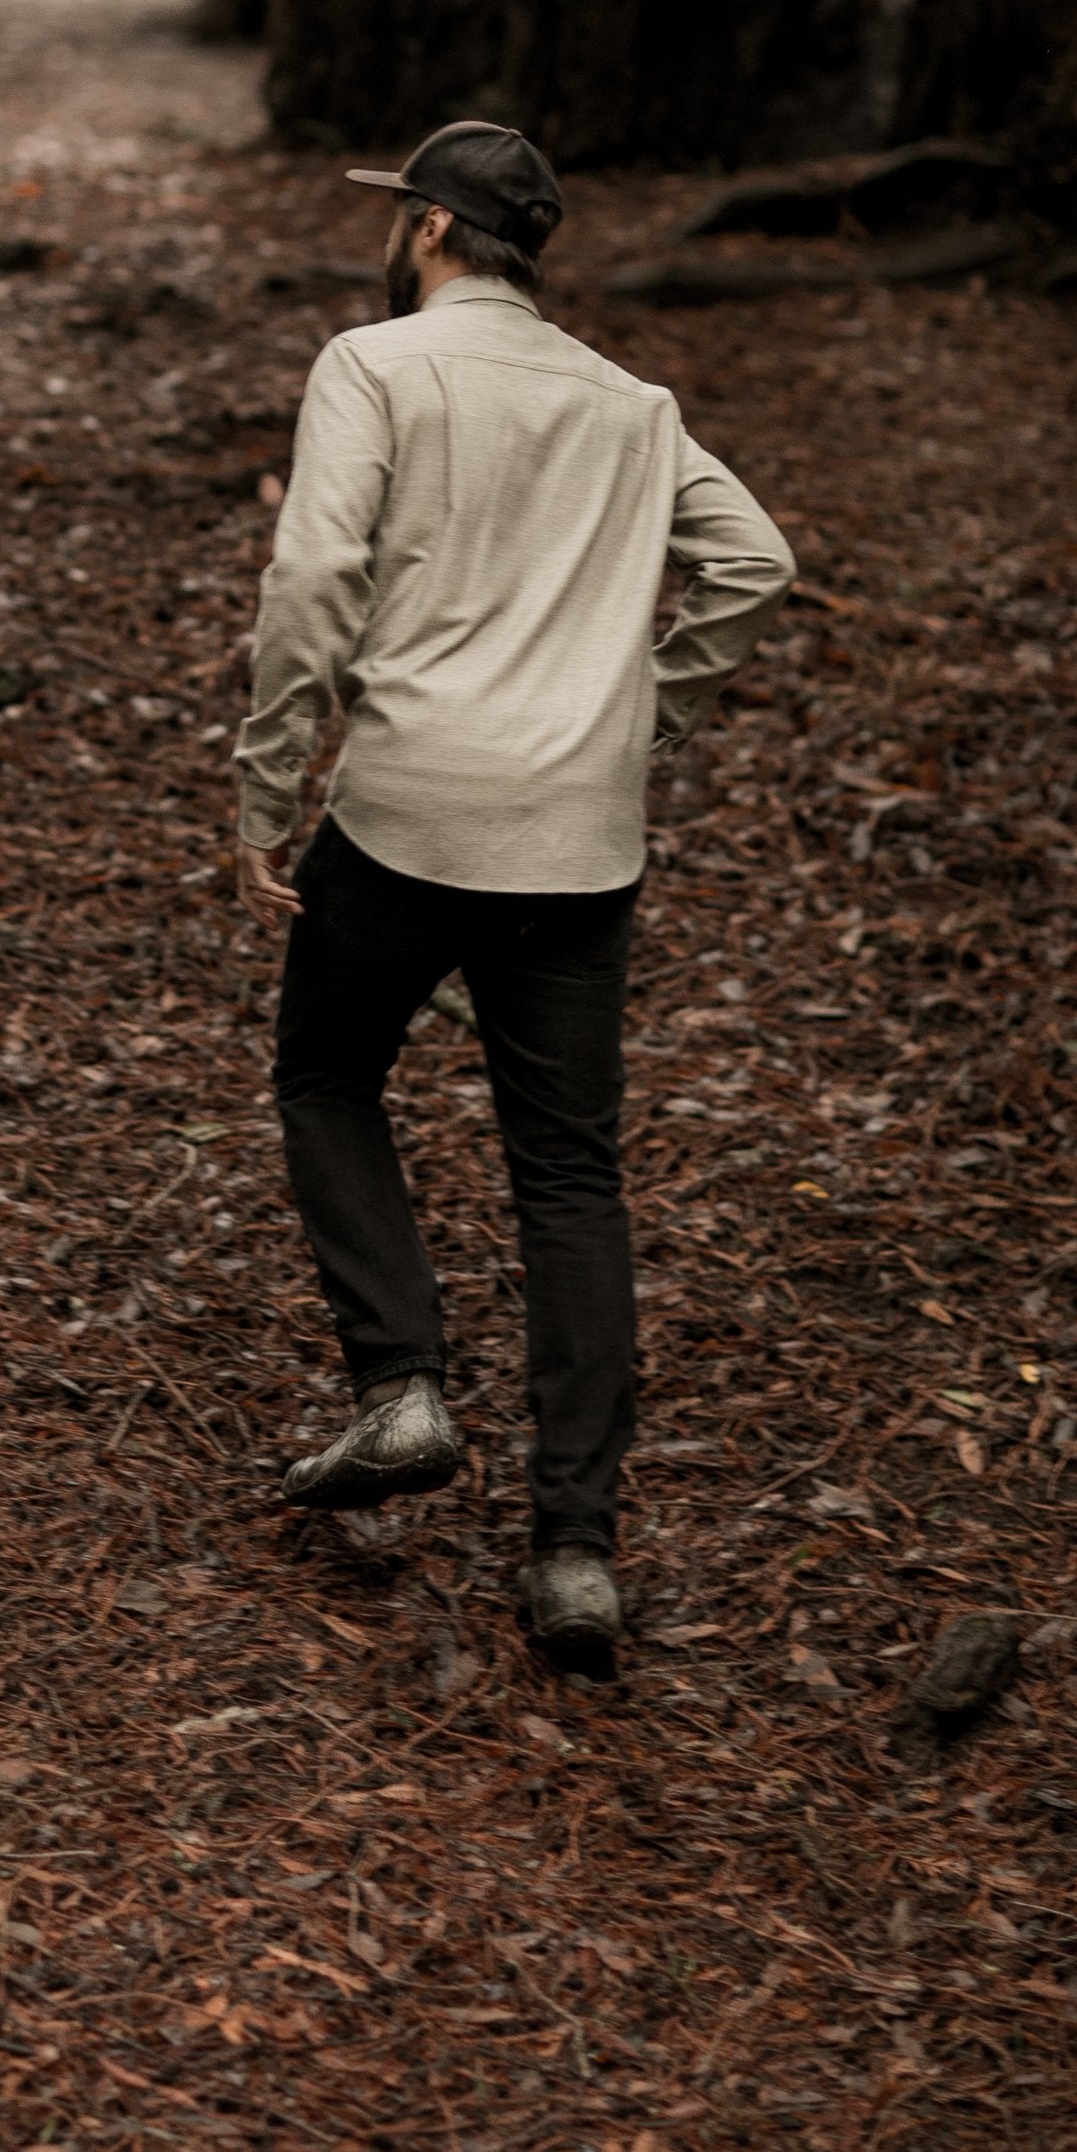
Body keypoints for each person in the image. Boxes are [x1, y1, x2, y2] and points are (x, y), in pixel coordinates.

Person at [233, 122, 793, 1674]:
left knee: (329, 1073)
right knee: (567, 1174)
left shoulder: (377, 367)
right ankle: (574, 1556)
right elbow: (755, 565)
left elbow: (310, 582)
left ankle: (402, 1380)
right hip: (579, 843)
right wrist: (647, 714)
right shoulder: (632, 404)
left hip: (408, 816)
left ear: (425, 230)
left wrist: (269, 791)